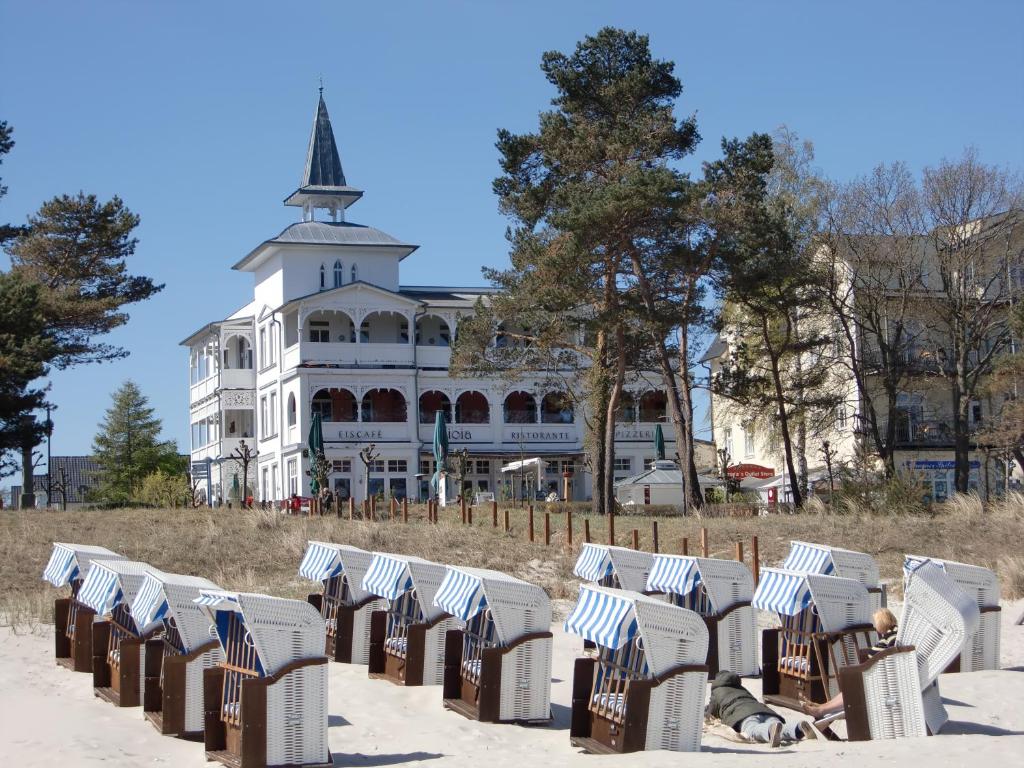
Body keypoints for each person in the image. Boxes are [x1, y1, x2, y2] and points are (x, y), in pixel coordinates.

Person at [801, 607, 899, 720]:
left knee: (852, 689)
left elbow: (892, 656)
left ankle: (821, 710)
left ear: (881, 622)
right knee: (849, 688)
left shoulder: (892, 636)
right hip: (874, 676)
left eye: (876, 622)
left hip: (879, 680)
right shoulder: (889, 634)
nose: (875, 626)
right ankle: (822, 707)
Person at [707, 670, 818, 747]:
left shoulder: (717, 691)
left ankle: (770, 731)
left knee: (753, 730)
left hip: (743, 716)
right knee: (781, 727)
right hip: (764, 711)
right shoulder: (742, 688)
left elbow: (710, 711)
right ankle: (797, 729)